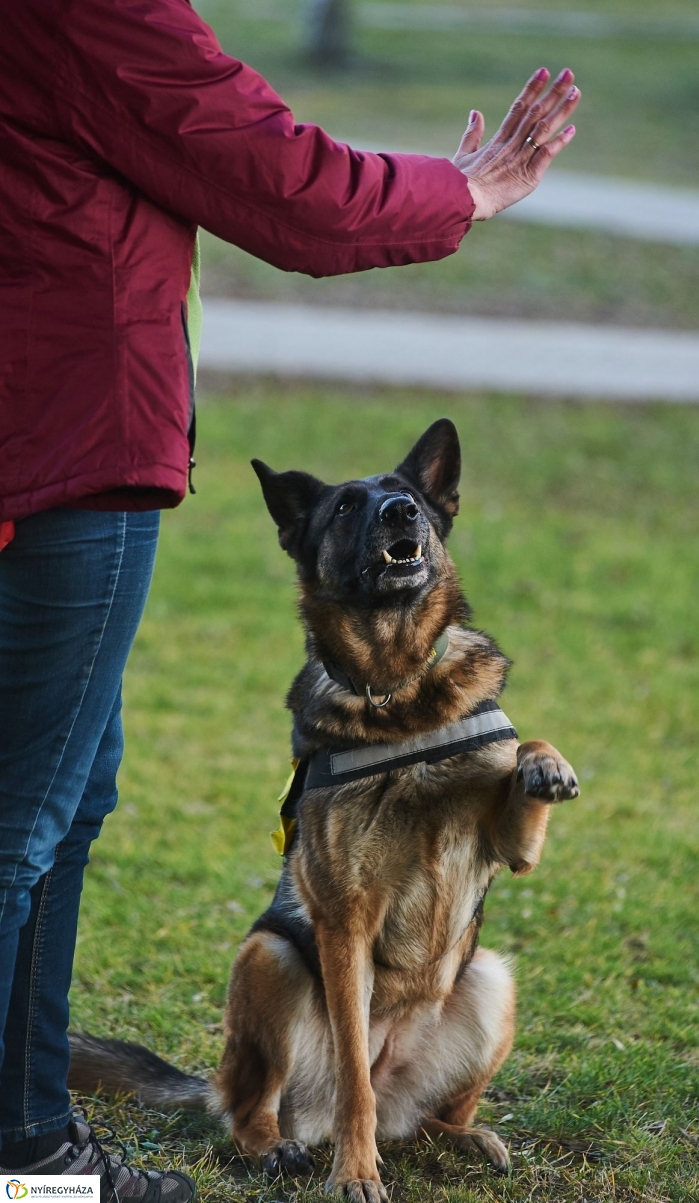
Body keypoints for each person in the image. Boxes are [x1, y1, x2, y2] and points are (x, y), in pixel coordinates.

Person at [0, 1, 580, 1197]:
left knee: (57, 797)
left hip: (37, 438)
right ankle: (26, 1154)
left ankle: (28, 1137)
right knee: (24, 820)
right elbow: (272, 175)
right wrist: (459, 192)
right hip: (61, 443)